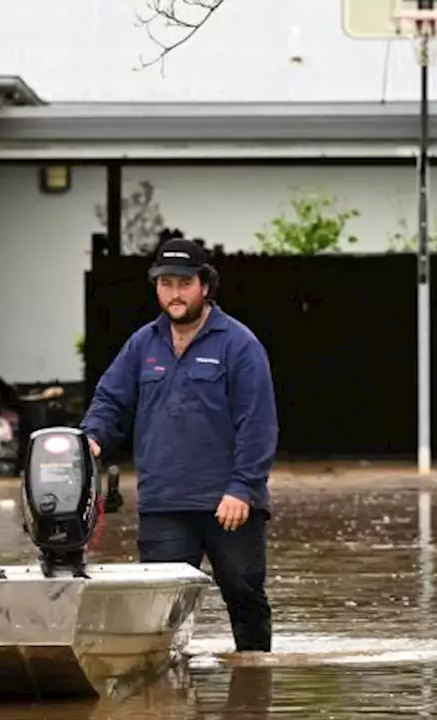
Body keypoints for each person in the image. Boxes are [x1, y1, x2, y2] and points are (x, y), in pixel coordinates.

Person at [80, 236, 278, 653]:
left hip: (229, 508)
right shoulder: (142, 345)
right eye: (166, 283)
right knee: (159, 609)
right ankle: (162, 695)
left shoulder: (239, 345)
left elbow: (258, 424)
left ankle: (253, 687)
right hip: (164, 503)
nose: (175, 293)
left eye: (184, 283)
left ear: (204, 285)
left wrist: (242, 488)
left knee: (244, 598)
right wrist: (92, 439)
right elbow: (111, 399)